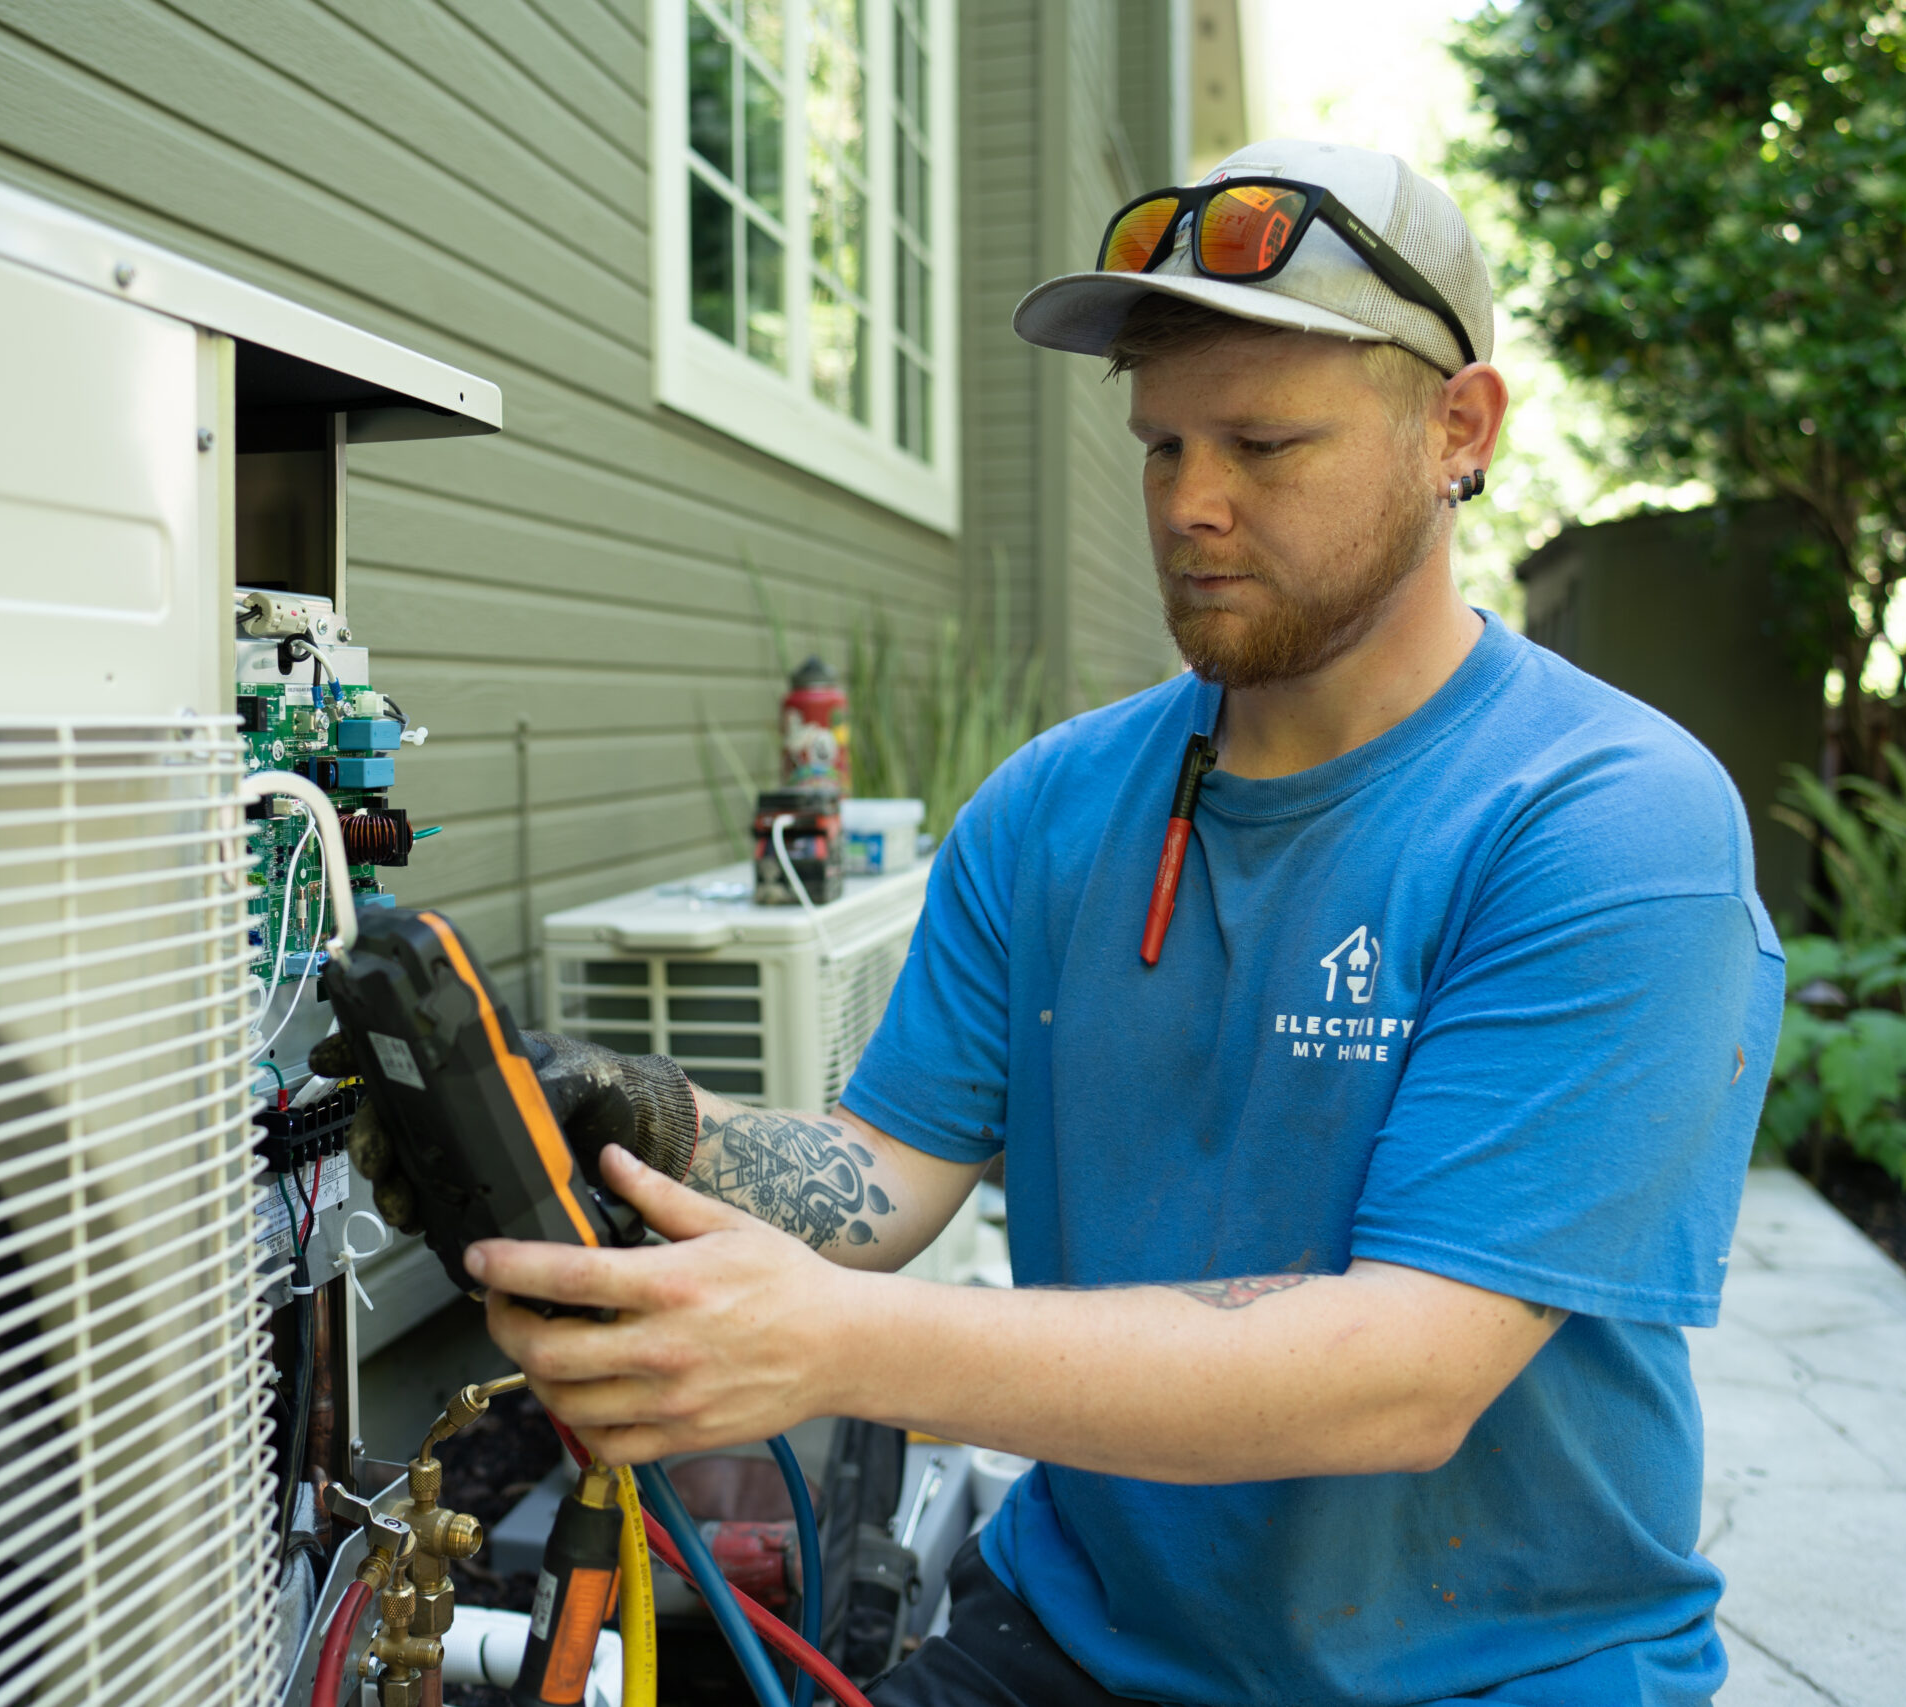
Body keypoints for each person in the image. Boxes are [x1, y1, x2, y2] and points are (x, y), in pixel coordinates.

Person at [352, 140, 1784, 1705]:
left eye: (1265, 442)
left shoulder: (1607, 820)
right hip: (1082, 1636)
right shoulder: (1054, 804)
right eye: (1163, 446)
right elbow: (883, 1175)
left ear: (1461, 427)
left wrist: (838, 1347)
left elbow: (1406, 1377)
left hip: (1493, 1671)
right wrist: (655, 1126)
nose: (1195, 505)